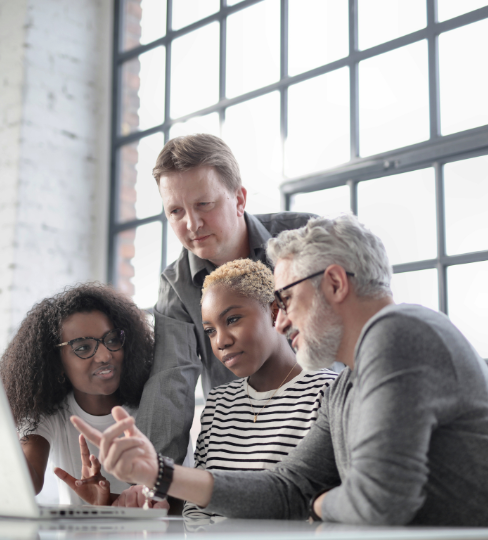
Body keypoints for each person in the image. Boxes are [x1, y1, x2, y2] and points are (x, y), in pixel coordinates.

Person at [71, 214, 488, 526]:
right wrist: (157, 473)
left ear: (336, 284)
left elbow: (381, 501)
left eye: (286, 299)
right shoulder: (346, 384)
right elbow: (287, 488)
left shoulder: (399, 332)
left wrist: (321, 503)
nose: (282, 320)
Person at [136, 133, 316, 465]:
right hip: (243, 446)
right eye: (175, 211)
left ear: (239, 199)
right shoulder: (176, 287)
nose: (192, 224)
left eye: (204, 204)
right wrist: (155, 481)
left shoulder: (306, 237)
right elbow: (170, 384)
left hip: (323, 426)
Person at [183, 259, 337, 518]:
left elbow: (317, 504)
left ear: (276, 312)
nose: (221, 341)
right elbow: (196, 508)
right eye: (210, 331)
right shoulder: (219, 403)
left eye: (232, 319)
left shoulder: (325, 391)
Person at [0, 283, 167, 508]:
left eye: (112, 340)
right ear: (56, 362)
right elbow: (28, 484)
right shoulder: (50, 415)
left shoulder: (153, 406)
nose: (105, 355)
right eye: (83, 348)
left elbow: (182, 502)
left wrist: (109, 503)